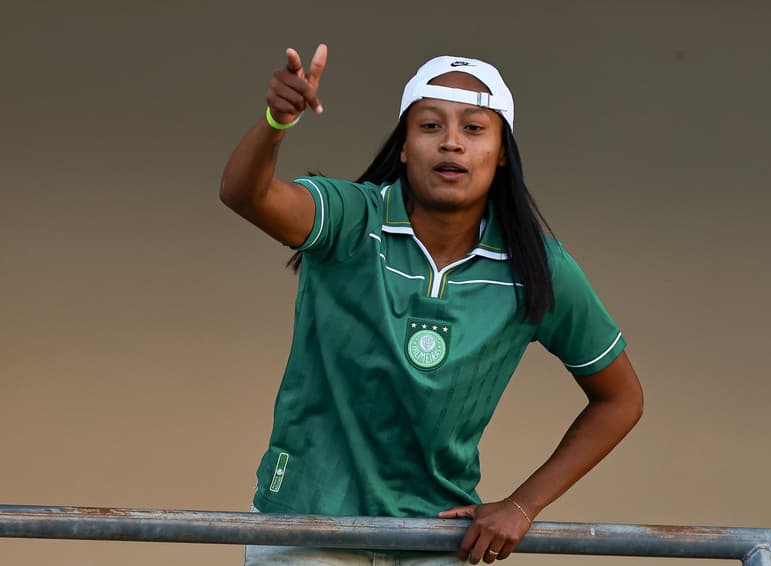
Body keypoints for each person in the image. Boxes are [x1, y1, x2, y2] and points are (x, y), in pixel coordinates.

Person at [220, 43, 644, 565]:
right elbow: (245, 194)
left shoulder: (537, 265)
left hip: (437, 539)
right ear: (403, 146)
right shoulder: (351, 219)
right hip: (308, 525)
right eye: (429, 126)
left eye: (474, 128)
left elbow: (621, 399)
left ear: (503, 152)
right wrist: (276, 122)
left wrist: (522, 505)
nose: (451, 142)